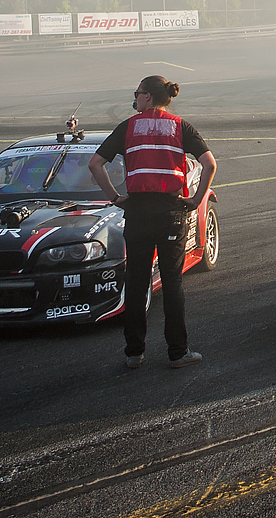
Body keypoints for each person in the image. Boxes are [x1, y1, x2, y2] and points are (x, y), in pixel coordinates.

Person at [88, 75, 216, 371]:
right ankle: (177, 351)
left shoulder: (128, 127)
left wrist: (115, 197)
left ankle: (134, 352)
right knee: (172, 283)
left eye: (137, 93)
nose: (134, 97)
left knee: (136, 281)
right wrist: (196, 200)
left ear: (147, 97)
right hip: (171, 210)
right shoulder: (180, 126)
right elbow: (210, 163)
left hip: (138, 211)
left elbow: (95, 163)